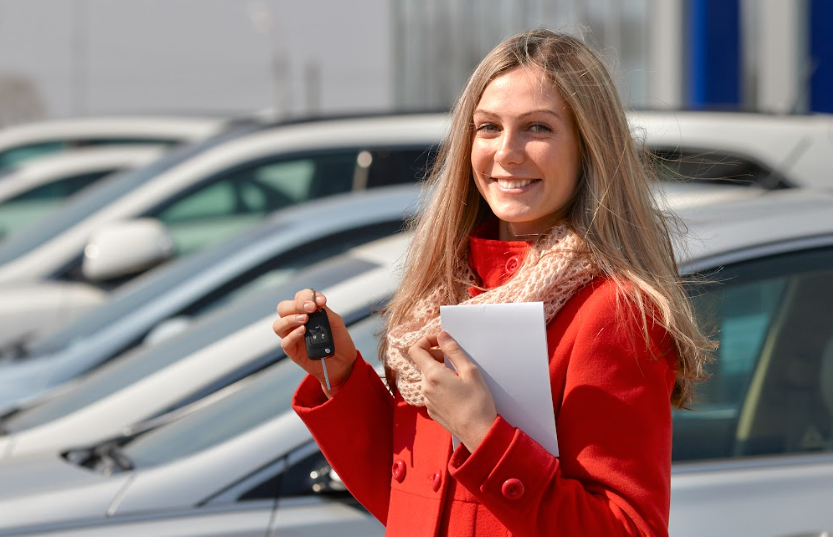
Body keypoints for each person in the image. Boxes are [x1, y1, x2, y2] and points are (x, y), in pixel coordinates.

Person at [272, 29, 713, 537]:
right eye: (488, 128)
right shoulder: (443, 291)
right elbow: (413, 509)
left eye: (537, 128)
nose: (507, 152)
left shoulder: (611, 310)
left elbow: (628, 530)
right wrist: (343, 375)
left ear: (589, 147)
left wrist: (484, 435)